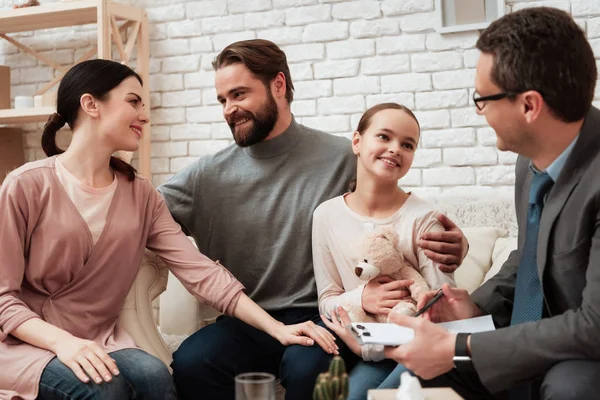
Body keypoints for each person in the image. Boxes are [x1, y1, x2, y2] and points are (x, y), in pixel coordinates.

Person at [0, 59, 338, 400]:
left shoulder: (140, 195)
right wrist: (63, 343)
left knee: (156, 378)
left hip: (98, 340)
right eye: (133, 102)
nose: (145, 115)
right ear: (91, 105)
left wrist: (276, 328)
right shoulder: (26, 185)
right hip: (24, 342)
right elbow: (3, 300)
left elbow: (200, 271)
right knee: (105, 390)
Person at [158, 39, 469, 400]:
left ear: (278, 85)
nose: (229, 109)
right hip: (249, 320)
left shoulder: (343, 156)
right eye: (222, 100)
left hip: (326, 315)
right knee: (193, 361)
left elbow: (394, 214)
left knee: (308, 368)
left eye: (239, 94)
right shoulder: (205, 177)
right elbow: (139, 214)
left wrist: (455, 244)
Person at [382, 7, 600, 400]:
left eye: (482, 99)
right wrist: (474, 308)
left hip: (584, 351)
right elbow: (532, 257)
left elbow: (594, 325)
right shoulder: (530, 160)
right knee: (407, 381)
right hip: (533, 339)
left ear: (529, 106)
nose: (480, 112)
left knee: (570, 387)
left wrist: (459, 347)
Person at [313, 102, 456, 399]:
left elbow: (443, 309)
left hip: (418, 348)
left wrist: (370, 346)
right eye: (384, 137)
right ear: (356, 141)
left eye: (407, 144)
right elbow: (327, 299)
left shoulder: (425, 218)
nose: (395, 149)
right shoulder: (325, 216)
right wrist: (361, 298)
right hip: (369, 349)